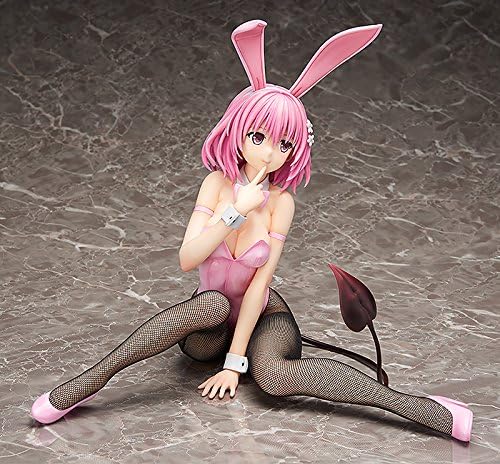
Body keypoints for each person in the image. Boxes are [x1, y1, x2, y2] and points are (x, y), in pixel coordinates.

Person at [30, 19, 473, 443]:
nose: (269, 154)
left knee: (274, 378)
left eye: (285, 144)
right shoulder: (216, 184)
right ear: (239, 130)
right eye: (259, 137)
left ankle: (428, 411)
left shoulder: (281, 203)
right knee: (211, 304)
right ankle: (87, 383)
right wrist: (234, 212)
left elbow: (261, 284)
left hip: (264, 318)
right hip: (208, 322)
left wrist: (235, 364)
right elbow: (187, 259)